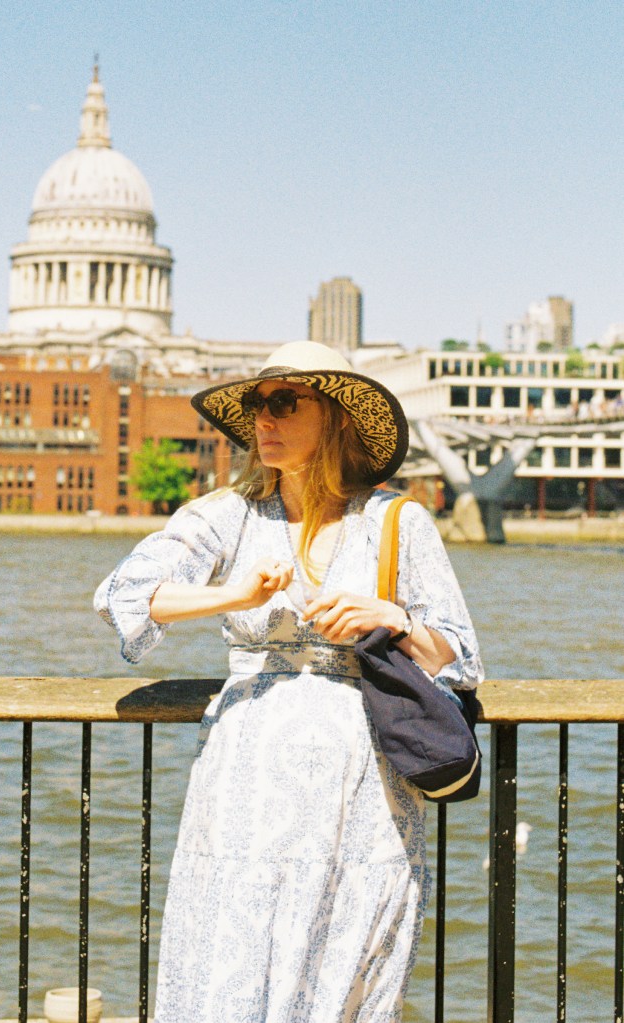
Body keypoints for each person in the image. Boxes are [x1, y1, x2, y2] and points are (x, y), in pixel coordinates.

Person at [94, 341, 483, 1023]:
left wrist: (388, 616)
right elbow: (126, 594)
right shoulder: (229, 513)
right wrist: (231, 592)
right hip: (245, 781)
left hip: (364, 788)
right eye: (254, 405)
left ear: (335, 417)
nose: (262, 419)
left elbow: (459, 659)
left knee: (344, 966)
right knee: (231, 961)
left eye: (283, 402)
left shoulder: (397, 520)